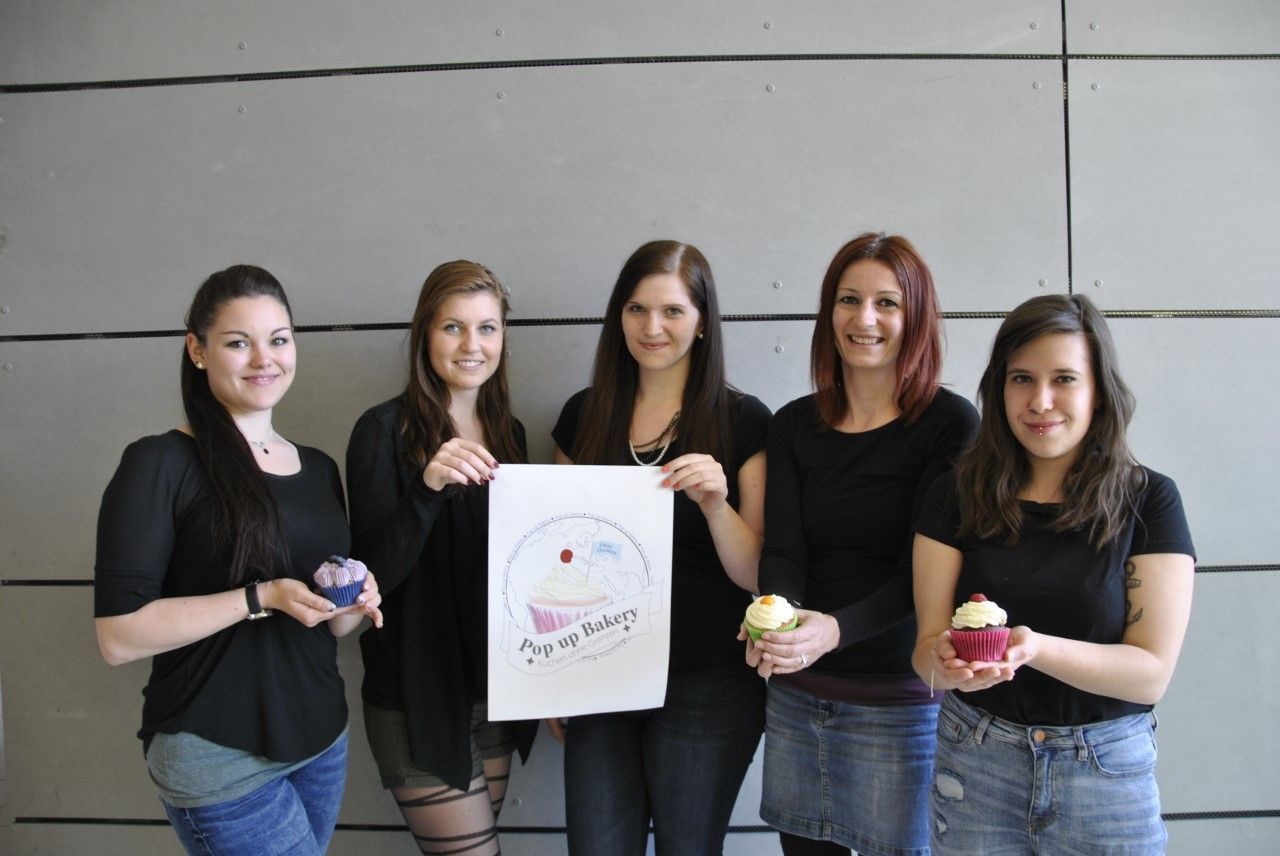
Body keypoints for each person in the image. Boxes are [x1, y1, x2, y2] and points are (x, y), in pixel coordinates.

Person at [94, 264, 383, 855]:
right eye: (237, 342)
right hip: (217, 754)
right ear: (197, 351)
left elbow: (334, 625)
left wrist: (357, 599)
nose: (264, 358)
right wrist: (261, 596)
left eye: (278, 339)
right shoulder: (160, 463)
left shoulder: (320, 468)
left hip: (321, 741)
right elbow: (118, 638)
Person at [912, 293, 1195, 854]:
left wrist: (1031, 648)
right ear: (999, 389)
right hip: (975, 763)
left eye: (1064, 379)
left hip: (1105, 772)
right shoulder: (953, 495)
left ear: (1098, 392)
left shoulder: (1149, 501)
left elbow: (1150, 674)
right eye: (1021, 379)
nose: (1040, 401)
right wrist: (947, 666)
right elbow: (925, 654)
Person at [749, 232, 978, 856]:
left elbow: (927, 574)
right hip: (799, 696)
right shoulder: (793, 423)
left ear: (917, 317)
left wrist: (834, 630)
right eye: (849, 300)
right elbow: (786, 550)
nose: (865, 319)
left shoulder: (950, 425)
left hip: (900, 706)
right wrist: (775, 615)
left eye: (887, 303)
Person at [551, 240, 769, 856]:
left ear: (702, 322)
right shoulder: (582, 416)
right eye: (636, 310)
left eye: (673, 311)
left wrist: (714, 503)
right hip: (599, 669)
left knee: (689, 847)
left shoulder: (745, 420)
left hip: (709, 681)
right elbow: (556, 556)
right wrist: (551, 679)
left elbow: (756, 573)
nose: (653, 328)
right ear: (617, 318)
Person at [346, 261, 536, 856]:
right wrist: (427, 487)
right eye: (453, 327)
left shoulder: (511, 434)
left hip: (494, 691)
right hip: (417, 698)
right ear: (424, 334)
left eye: (487, 328)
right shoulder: (383, 431)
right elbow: (371, 579)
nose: (472, 345)